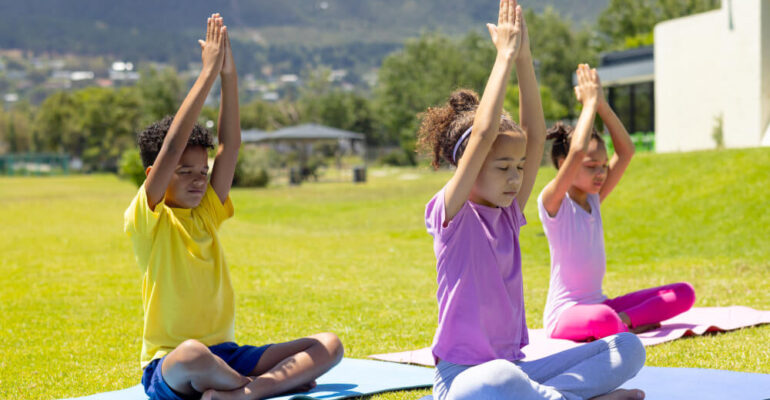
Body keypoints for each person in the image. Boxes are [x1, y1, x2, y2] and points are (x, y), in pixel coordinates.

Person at [419, 2, 646, 399]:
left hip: (517, 371)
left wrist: (524, 56)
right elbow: (484, 133)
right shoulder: (450, 214)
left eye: (519, 167)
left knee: (627, 348)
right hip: (463, 381)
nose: (515, 177)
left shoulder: (507, 213)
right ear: (468, 165)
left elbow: (534, 134)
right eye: (502, 167)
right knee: (499, 382)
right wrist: (503, 56)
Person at [124, 14, 342, 400]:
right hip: (168, 364)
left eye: (202, 171)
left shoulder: (207, 209)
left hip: (229, 356)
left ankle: (243, 391)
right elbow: (172, 145)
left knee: (329, 345)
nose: (197, 179)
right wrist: (206, 74)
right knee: (193, 353)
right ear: (154, 173)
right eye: (184, 172)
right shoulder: (149, 218)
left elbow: (230, 146)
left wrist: (229, 74)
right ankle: (257, 388)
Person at [538, 64, 695, 342]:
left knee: (683, 293)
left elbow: (626, 151)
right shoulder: (554, 204)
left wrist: (601, 104)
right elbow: (576, 152)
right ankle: (626, 324)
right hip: (566, 314)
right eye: (591, 166)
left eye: (602, 165)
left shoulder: (593, 200)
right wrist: (587, 105)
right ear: (564, 165)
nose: (601, 172)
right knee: (603, 319)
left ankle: (623, 323)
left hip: (603, 305)